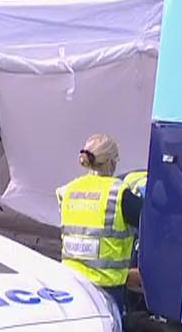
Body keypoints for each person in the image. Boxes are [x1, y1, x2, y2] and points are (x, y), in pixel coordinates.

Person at [56, 134, 145, 315]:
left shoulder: (69, 190)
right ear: (111, 163)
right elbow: (148, 221)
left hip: (72, 282)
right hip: (107, 289)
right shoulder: (118, 193)